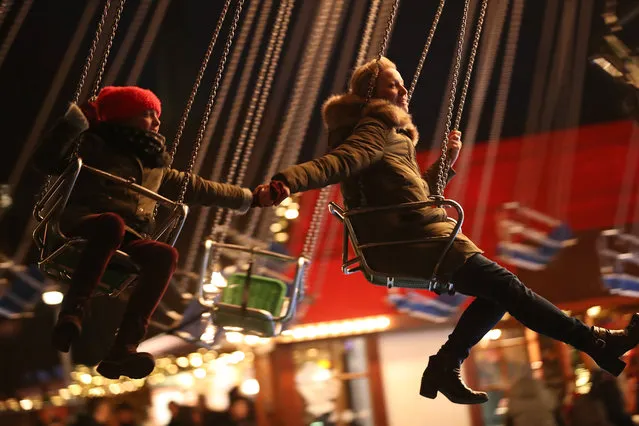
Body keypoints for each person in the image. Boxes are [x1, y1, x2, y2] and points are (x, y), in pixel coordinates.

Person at [253, 57, 639, 404]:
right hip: (412, 240)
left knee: (497, 294)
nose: (404, 90)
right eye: (393, 84)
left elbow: (416, 192)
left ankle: (446, 364)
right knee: (506, 287)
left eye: (402, 83)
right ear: (372, 94)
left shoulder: (391, 135)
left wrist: (446, 164)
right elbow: (337, 163)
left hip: (414, 235)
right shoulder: (373, 127)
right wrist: (286, 181)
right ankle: (595, 341)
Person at [34, 86, 255, 380]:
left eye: (157, 115)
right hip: (83, 223)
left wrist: (247, 198)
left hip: (124, 234)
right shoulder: (93, 144)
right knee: (111, 223)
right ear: (124, 117)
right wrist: (75, 123)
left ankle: (124, 347)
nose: (157, 122)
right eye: (147, 114)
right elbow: (47, 160)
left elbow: (197, 188)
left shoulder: (154, 166)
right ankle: (72, 312)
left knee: (165, 254)